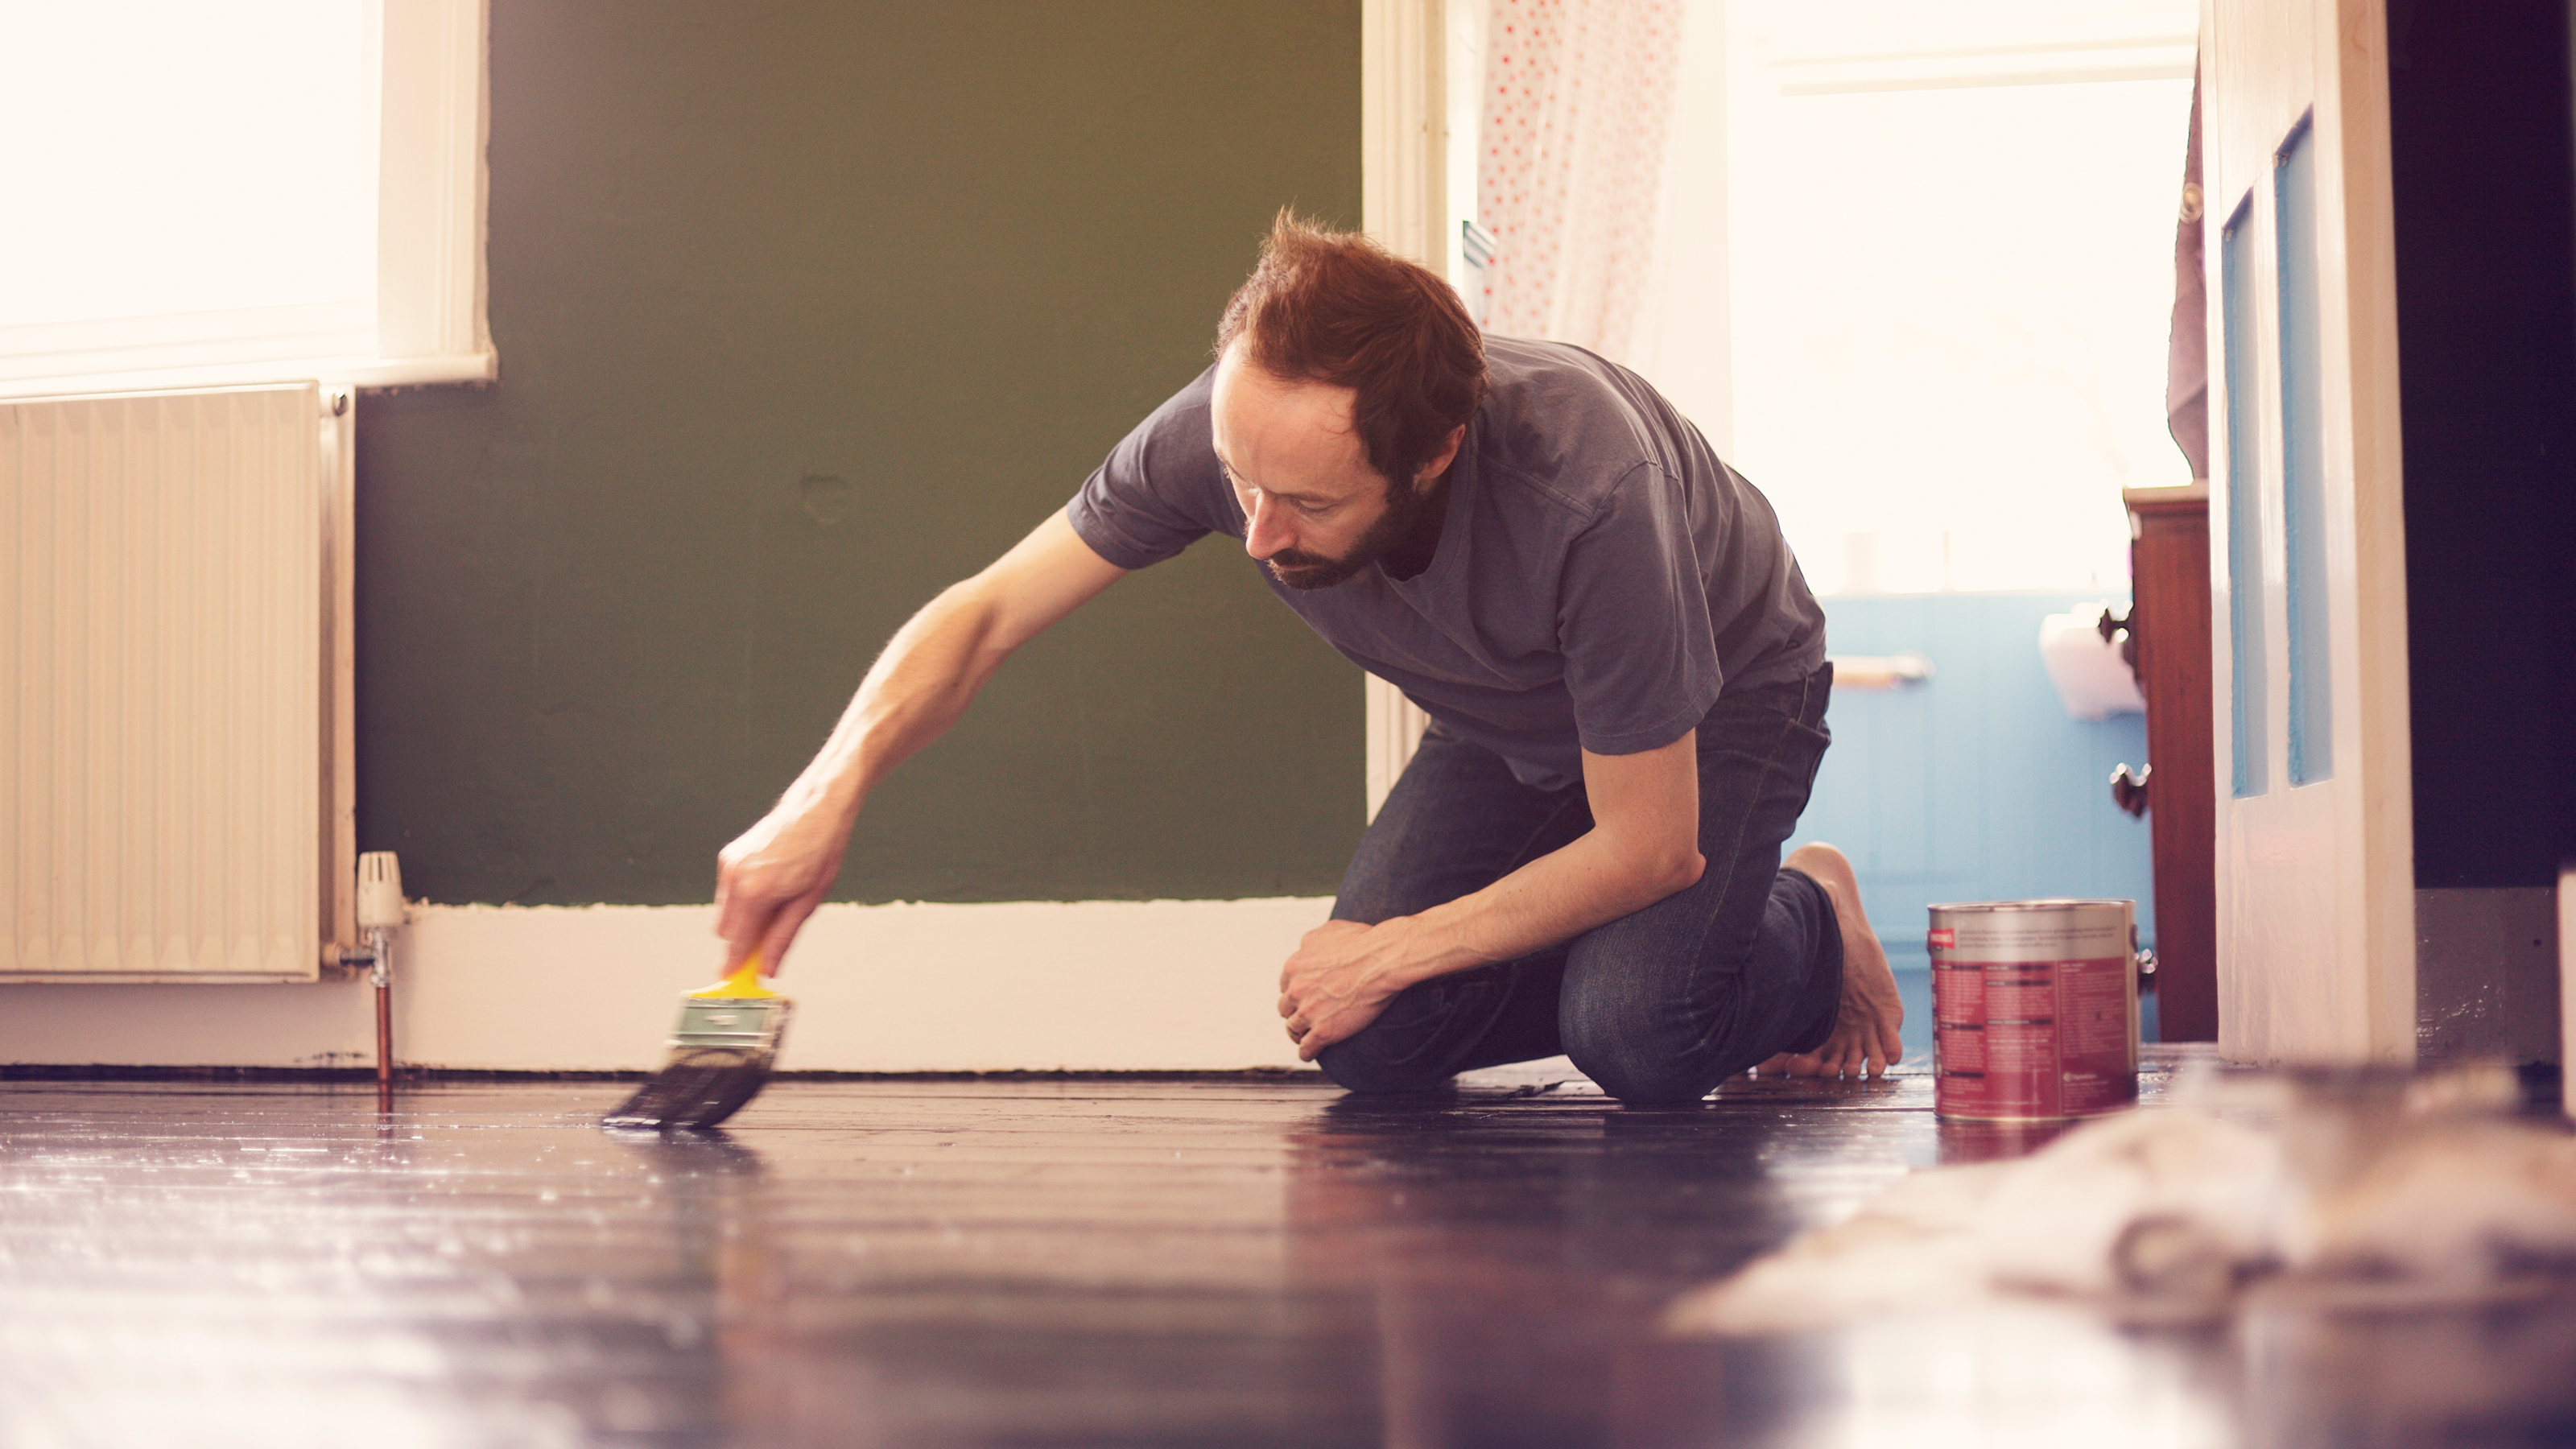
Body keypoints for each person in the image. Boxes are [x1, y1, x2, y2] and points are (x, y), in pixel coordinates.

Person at [711, 215, 1905, 1103]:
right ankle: (1655, 957)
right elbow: (985, 612)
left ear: (1434, 455)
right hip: (1504, 718)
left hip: (1723, 696)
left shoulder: (1588, 491)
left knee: (1640, 1040)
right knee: (1367, 1039)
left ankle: (1806, 920)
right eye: (1241, 487)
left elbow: (1650, 843)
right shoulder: (1241, 433)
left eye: (1304, 504)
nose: (1259, 534)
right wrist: (824, 794)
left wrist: (1395, 948)